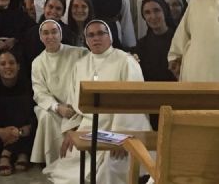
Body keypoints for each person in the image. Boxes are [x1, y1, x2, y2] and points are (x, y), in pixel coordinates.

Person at [45, 20, 150, 184]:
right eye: (91, 35)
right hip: (89, 127)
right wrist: (72, 130)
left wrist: (120, 138)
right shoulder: (80, 65)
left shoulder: (126, 61)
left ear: (111, 37)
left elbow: (133, 103)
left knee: (111, 168)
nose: (96, 38)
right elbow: (75, 104)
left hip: (123, 127)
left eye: (101, 33)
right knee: (69, 166)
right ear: (86, 40)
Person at [30, 20, 88, 166]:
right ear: (41, 37)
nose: (50, 36)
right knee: (46, 116)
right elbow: (39, 92)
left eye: (54, 32)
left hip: (76, 105)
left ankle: (72, 161)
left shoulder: (79, 53)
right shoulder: (37, 62)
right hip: (54, 107)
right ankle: (54, 161)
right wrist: (57, 107)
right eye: (46, 33)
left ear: (60, 34)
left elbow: (98, 61)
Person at [0, 50, 35, 175]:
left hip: (23, 133)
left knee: (23, 103)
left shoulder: (29, 86)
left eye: (12, 63)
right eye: (3, 64)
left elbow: (34, 118)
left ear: (18, 66)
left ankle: (6, 154)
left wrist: (19, 132)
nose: (8, 67)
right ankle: (21, 153)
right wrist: (0, 132)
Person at [134, 0, 177, 129]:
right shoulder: (141, 45)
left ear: (164, 11)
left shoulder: (179, 40)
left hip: (176, 100)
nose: (152, 16)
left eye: (156, 10)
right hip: (151, 102)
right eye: (147, 13)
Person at [22, 0, 77, 70]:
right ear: (44, 8)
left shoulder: (69, 34)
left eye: (58, 9)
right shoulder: (31, 33)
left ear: (63, 13)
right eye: (50, 7)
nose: (53, 11)